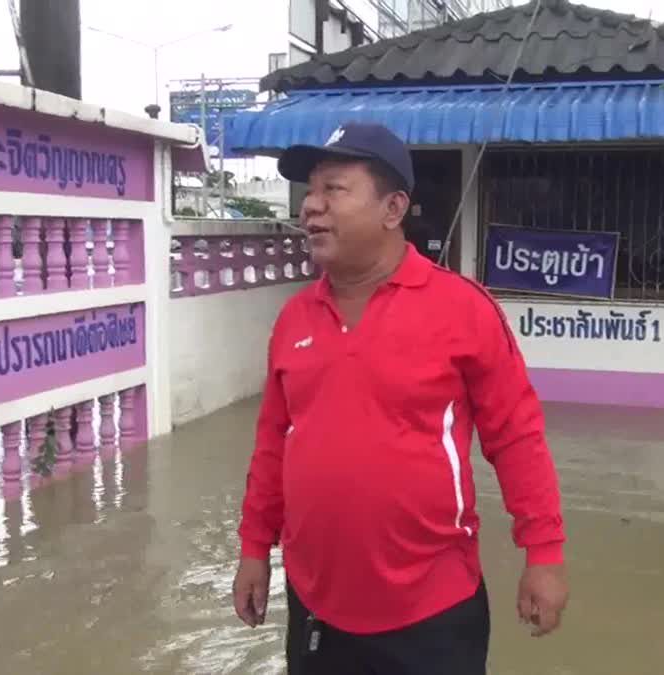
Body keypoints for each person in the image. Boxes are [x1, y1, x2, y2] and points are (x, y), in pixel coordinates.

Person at [232, 121, 568, 675]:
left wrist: (545, 555)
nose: (311, 207)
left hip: (433, 609)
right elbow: (273, 441)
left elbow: (516, 438)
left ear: (393, 209)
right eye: (309, 191)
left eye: (334, 189)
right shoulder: (294, 319)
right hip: (316, 604)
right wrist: (253, 549)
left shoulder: (464, 311)